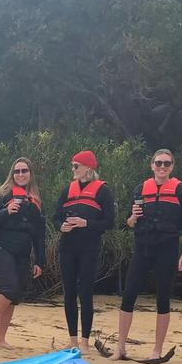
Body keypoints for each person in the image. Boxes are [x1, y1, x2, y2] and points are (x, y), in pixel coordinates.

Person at [112, 149, 182, 361]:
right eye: (158, 163)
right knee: (129, 294)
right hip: (143, 246)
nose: (162, 167)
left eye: (166, 163)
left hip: (167, 248)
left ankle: (156, 350)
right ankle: (120, 347)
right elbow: (128, 223)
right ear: (152, 165)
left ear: (172, 166)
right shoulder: (140, 189)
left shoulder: (181, 191)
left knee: (163, 297)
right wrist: (132, 218)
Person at [0, 157, 46, 348]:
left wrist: (40, 260)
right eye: (17, 171)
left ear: (30, 174)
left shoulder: (36, 201)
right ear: (12, 173)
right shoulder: (0, 195)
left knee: (14, 296)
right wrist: (7, 211)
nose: (21, 174)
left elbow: (40, 235)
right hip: (1, 248)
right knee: (8, 288)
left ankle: (0, 339)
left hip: (23, 253)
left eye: (24, 171)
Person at [52, 150, 115, 351]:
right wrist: (62, 226)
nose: (73, 169)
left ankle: (85, 341)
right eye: (73, 166)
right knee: (69, 292)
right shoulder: (67, 190)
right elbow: (55, 217)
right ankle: (72, 340)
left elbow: (109, 222)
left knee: (85, 292)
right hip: (67, 247)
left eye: (76, 166)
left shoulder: (103, 191)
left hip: (89, 248)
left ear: (88, 168)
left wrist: (85, 223)